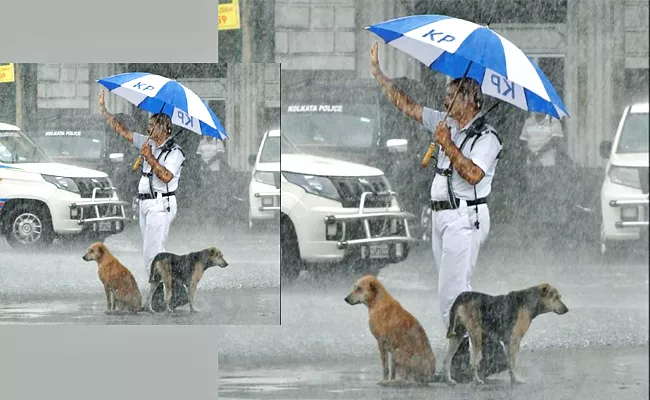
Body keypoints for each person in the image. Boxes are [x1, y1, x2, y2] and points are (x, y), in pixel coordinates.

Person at [369, 42, 507, 380]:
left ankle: (477, 358)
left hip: (465, 218)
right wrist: (379, 75)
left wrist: (446, 143)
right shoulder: (447, 122)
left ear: (470, 99)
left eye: (451, 96)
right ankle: (483, 353)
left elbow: (474, 174)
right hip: (442, 218)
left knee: (453, 297)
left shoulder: (487, 137)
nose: (445, 101)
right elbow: (409, 106)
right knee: (455, 294)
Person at [99, 91, 186, 281]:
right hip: (145, 204)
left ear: (164, 128)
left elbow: (166, 176)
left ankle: (162, 292)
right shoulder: (149, 143)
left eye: (151, 126)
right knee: (152, 252)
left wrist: (148, 157)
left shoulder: (175, 152)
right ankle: (166, 290)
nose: (147, 131)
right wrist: (105, 112)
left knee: (152, 254)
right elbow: (123, 131)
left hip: (161, 204)